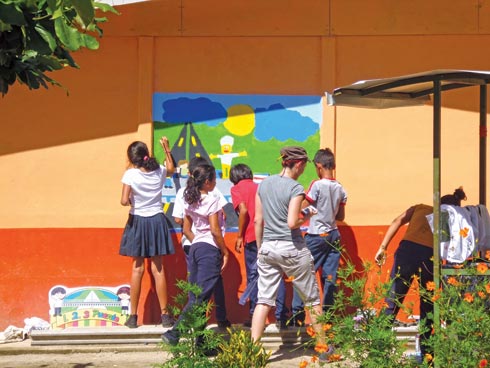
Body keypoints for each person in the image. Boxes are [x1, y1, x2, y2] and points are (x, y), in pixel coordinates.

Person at [374, 187, 467, 354]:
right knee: (427, 306)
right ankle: (427, 355)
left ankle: (376, 351)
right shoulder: (448, 218)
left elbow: (397, 220)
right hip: (429, 256)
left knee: (392, 301)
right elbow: (449, 248)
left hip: (406, 251)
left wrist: (382, 247)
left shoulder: (420, 207)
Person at [251, 146, 325, 348]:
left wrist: (260, 249)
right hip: (291, 247)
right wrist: (308, 215)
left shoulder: (263, 185)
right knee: (312, 299)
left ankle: (252, 350)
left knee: (264, 301)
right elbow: (293, 222)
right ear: (299, 164)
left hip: (267, 247)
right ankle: (323, 347)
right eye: (304, 165)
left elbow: (258, 220)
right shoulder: (295, 188)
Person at [162, 164, 230, 346]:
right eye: (214, 180)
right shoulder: (212, 200)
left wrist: (198, 240)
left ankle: (200, 345)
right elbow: (215, 231)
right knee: (200, 297)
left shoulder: (188, 198)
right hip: (209, 250)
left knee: (200, 298)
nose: (216, 183)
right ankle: (174, 332)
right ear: (207, 182)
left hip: (195, 248)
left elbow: (185, 228)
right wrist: (224, 251)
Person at [119, 137, 175, 328]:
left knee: (137, 268)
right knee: (158, 269)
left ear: (131, 159)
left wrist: (134, 202)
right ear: (146, 155)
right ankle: (166, 316)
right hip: (157, 220)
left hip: (138, 221)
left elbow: (124, 200)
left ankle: (133, 317)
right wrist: (166, 149)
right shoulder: (159, 171)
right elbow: (172, 168)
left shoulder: (130, 175)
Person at [291, 148, 347, 325]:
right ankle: (328, 317)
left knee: (303, 273)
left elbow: (302, 206)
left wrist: (307, 211)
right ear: (334, 165)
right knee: (330, 277)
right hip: (333, 234)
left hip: (316, 235)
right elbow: (340, 217)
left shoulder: (317, 185)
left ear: (319, 166)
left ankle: (297, 316)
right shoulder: (340, 188)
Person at [230, 163, 289, 328]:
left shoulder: (236, 189)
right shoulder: (261, 186)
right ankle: (282, 315)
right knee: (277, 274)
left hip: (251, 237)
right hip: (272, 235)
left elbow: (243, 211)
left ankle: (254, 316)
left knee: (254, 276)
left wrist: (240, 235)